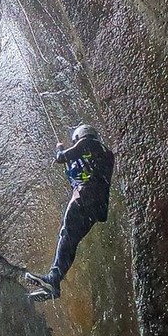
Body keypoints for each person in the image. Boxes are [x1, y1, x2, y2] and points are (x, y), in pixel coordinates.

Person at [26, 123, 114, 300]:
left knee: (66, 234)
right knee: (70, 240)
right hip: (97, 208)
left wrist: (59, 149)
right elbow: (79, 171)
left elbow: (61, 157)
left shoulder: (88, 143)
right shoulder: (104, 155)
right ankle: (54, 284)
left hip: (85, 197)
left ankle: (53, 278)